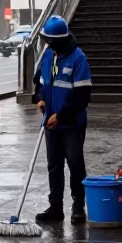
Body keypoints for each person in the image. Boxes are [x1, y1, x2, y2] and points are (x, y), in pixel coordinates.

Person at [32, 14, 92, 225]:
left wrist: (62, 115)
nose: (47, 44)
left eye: (50, 40)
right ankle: (55, 206)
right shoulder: (49, 55)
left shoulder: (78, 59)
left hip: (71, 123)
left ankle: (78, 205)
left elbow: (82, 95)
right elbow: (41, 82)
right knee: (54, 165)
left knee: (75, 163)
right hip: (51, 122)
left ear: (60, 39)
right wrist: (39, 99)